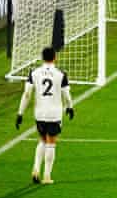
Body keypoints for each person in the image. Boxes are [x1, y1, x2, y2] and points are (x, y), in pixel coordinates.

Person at [15, 47, 75, 184]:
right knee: (51, 143)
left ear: (42, 58)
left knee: (42, 140)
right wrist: (70, 107)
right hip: (54, 114)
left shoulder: (34, 73)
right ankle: (47, 176)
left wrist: (20, 113)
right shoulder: (61, 74)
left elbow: (27, 94)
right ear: (55, 57)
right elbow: (66, 94)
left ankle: (36, 168)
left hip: (39, 113)